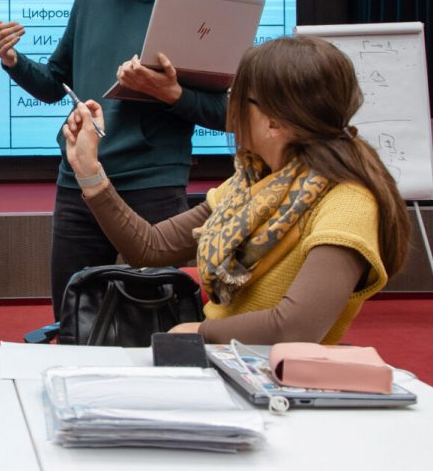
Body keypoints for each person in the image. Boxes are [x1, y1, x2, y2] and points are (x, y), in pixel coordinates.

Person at [62, 34, 411, 344]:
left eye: (239, 98)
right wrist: (88, 168)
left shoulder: (348, 202)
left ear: (274, 123)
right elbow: (149, 247)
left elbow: (295, 329)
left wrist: (199, 332)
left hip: (276, 381)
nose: (230, 109)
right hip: (227, 364)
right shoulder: (251, 181)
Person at [0, 0, 228, 317]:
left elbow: (225, 113)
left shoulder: (198, 7)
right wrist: (13, 60)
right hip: (78, 181)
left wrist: (171, 93)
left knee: (154, 320)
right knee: (71, 316)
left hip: (152, 186)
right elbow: (54, 85)